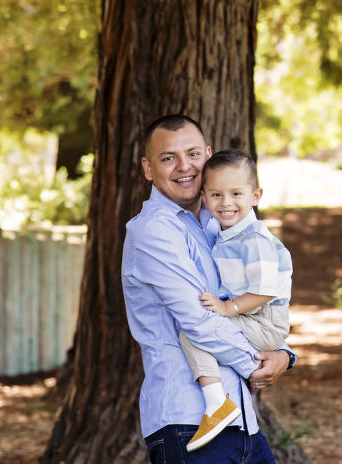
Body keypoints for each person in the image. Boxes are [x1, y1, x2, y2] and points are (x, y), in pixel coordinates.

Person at [122, 114, 295, 464]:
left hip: (244, 422)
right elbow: (199, 322)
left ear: (208, 154)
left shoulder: (219, 226)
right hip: (188, 423)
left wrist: (284, 355)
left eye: (193, 154)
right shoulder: (154, 231)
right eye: (168, 158)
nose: (184, 166)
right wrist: (257, 364)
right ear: (148, 167)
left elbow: (251, 302)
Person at [179, 149, 292, 451]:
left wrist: (228, 308)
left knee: (196, 328)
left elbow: (266, 290)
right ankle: (219, 401)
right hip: (253, 316)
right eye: (216, 194)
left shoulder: (254, 239)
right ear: (203, 195)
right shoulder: (226, 233)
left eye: (236, 194)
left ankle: (217, 402)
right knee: (198, 327)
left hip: (265, 320)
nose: (226, 203)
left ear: (256, 195)